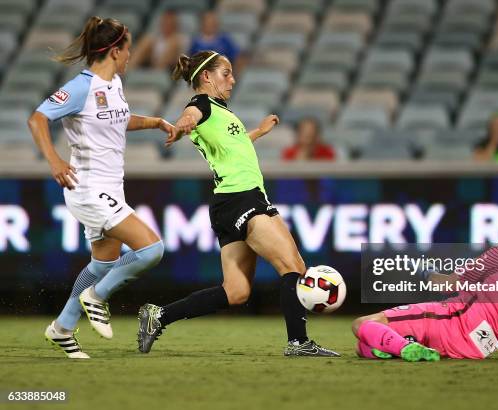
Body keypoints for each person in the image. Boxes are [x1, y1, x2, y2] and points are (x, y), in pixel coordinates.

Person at [136, 50, 339, 357]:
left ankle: (159, 316)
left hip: (227, 203)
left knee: (236, 292)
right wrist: (181, 126)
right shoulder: (201, 104)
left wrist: (257, 132)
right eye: (226, 73)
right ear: (206, 76)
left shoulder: (220, 110)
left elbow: (233, 146)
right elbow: (189, 116)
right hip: (242, 198)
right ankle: (299, 342)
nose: (233, 79)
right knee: (293, 266)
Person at [28, 17, 176, 359]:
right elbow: (37, 118)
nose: (130, 55)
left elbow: (119, 120)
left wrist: (155, 122)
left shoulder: (115, 85)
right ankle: (96, 297)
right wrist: (54, 161)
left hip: (110, 187)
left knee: (103, 265)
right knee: (152, 249)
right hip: (87, 186)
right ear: (113, 51)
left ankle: (62, 328)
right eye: (127, 49)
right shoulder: (80, 87)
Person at [352, 200, 498, 361]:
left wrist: (422, 268)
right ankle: (409, 347)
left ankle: (404, 347)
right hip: (474, 350)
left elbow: (444, 284)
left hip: (450, 321)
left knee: (362, 325)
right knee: (364, 348)